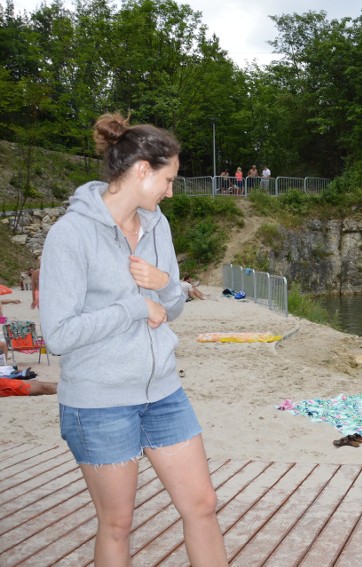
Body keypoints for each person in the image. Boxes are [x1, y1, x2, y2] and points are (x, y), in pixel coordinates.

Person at [38, 112, 227, 565]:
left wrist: (165, 284)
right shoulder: (71, 234)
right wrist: (134, 307)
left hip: (164, 392)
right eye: (169, 179)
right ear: (142, 170)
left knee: (201, 505)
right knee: (118, 524)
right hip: (98, 403)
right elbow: (58, 336)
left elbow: (173, 307)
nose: (170, 190)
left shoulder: (157, 225)